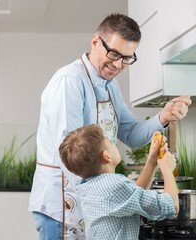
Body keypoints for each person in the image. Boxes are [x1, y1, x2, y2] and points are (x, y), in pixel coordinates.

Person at [28, 12, 191, 240]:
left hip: (91, 205)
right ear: (95, 42)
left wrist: (163, 116)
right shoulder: (70, 82)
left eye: (126, 58)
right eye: (114, 54)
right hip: (62, 207)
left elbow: (131, 134)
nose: (118, 64)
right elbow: (69, 154)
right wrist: (111, 196)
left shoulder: (109, 86)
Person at [59, 124, 179, 240]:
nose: (113, 144)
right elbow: (171, 206)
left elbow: (133, 195)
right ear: (107, 156)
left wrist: (152, 160)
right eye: (110, 142)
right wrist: (167, 169)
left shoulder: (88, 185)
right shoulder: (115, 186)